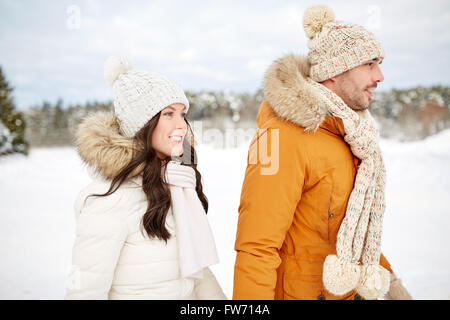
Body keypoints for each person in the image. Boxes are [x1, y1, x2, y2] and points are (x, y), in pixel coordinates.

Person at [233, 4, 412, 300]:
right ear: (334, 70)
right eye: (369, 64)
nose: (380, 76)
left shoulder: (352, 136)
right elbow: (257, 246)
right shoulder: (280, 138)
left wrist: (391, 284)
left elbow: (351, 230)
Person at [65, 56, 226, 300]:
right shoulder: (110, 200)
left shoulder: (177, 185)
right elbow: (84, 291)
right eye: (168, 114)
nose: (181, 125)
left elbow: (196, 274)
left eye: (183, 114)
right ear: (142, 125)